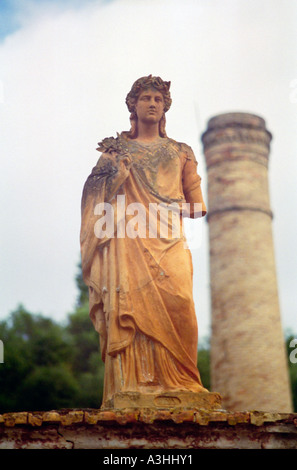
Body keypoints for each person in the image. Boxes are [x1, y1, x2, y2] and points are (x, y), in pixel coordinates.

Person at [80, 75, 208, 407]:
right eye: (145, 98)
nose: (152, 103)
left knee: (181, 304)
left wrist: (168, 205)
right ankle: (134, 385)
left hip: (169, 237)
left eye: (158, 99)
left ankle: (184, 382)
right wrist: (117, 176)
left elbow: (197, 207)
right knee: (130, 307)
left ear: (165, 107)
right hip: (129, 240)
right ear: (133, 106)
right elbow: (93, 199)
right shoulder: (115, 150)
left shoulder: (181, 151)